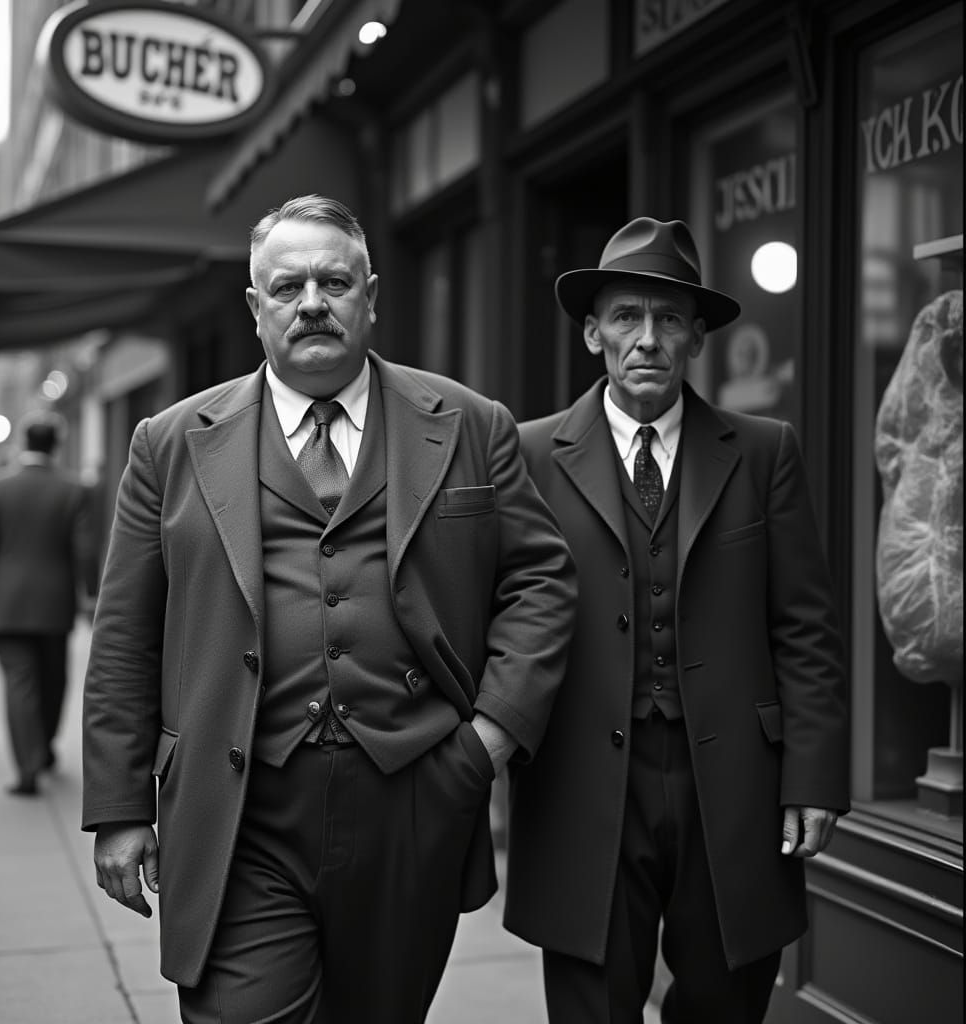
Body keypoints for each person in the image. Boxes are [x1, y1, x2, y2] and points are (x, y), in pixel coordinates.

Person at [81, 194, 576, 1024]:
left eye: (334, 282)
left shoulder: (469, 423)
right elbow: (126, 632)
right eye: (287, 287)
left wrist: (486, 743)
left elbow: (542, 582)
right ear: (256, 306)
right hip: (238, 803)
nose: (311, 303)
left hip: (414, 795)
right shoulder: (169, 442)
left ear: (370, 296)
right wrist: (120, 805)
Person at [504, 217, 849, 1023]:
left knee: (727, 1003)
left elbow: (805, 628)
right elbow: (504, 617)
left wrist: (813, 777)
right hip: (581, 782)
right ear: (593, 333)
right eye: (626, 317)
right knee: (592, 1007)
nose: (647, 339)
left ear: (697, 336)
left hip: (733, 785)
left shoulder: (763, 452)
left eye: (668, 320)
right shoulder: (527, 454)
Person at [0, 410, 96, 795]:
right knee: (54, 681)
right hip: (55, 604)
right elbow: (85, 550)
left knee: (19, 685)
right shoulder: (74, 489)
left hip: (8, 604)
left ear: (24, 442)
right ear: (56, 444)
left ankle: (28, 766)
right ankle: (44, 748)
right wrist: (90, 593)